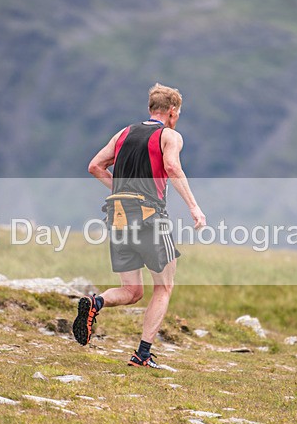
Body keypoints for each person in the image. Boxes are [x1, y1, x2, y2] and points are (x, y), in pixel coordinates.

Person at [72, 83, 206, 368]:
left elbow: (95, 166)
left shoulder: (123, 133)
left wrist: (120, 190)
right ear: (172, 111)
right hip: (149, 215)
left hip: (118, 213)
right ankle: (142, 354)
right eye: (178, 113)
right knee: (164, 287)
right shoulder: (170, 135)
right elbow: (172, 167)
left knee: (133, 291)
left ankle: (95, 303)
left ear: (149, 109)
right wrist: (194, 207)